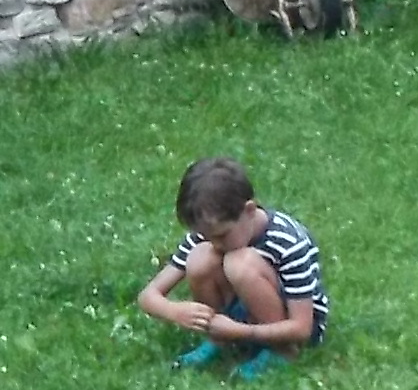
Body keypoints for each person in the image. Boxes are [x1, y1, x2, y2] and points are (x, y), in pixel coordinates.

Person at [135, 156, 327, 374]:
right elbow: (147, 296)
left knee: (239, 264)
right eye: (206, 235)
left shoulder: (287, 241)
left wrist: (241, 331)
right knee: (199, 259)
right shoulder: (208, 234)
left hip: (292, 324)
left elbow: (302, 328)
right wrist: (174, 311)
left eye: (222, 235)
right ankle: (219, 340)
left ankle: (281, 351)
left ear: (249, 210)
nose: (214, 243)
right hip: (242, 317)